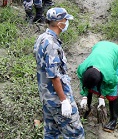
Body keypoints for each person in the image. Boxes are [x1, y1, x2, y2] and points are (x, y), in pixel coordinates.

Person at [35, 7, 85, 139]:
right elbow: (54, 76)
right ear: (59, 23)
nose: (67, 22)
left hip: (47, 97)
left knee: (51, 133)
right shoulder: (52, 45)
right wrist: (64, 100)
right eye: (65, 20)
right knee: (76, 134)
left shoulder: (42, 38)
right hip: (57, 98)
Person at [77, 41, 118, 132]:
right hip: (100, 46)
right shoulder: (82, 69)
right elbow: (83, 83)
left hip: (117, 54)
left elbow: (112, 84)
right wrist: (84, 96)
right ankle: (87, 110)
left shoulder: (109, 75)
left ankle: (113, 120)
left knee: (113, 94)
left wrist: (102, 96)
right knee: (90, 87)